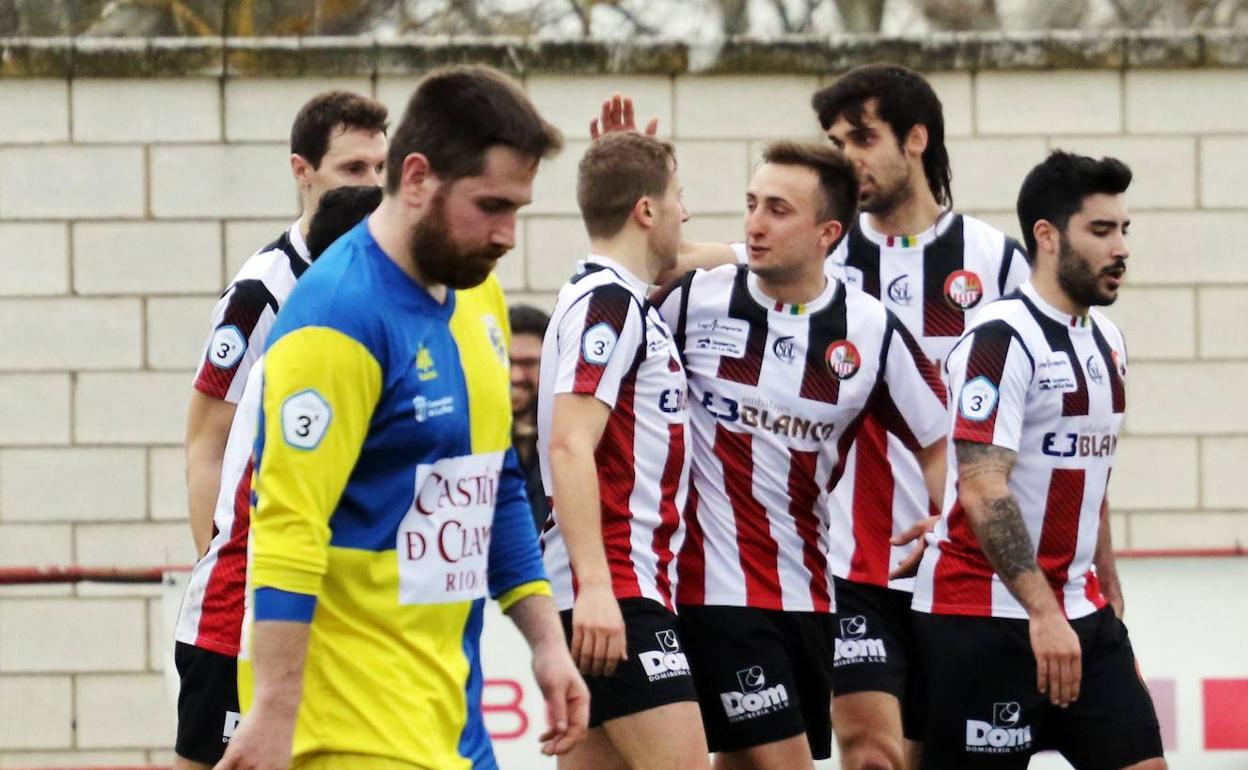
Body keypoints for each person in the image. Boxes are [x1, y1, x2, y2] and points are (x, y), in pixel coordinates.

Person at [216, 65, 587, 770]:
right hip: (347, 730)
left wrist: (544, 640)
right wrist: (274, 708)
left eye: (519, 209)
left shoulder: (477, 296)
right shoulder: (338, 314)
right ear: (415, 177)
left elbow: (493, 479)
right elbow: (288, 528)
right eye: (491, 205)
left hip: (454, 723)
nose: (507, 234)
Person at [653, 141, 948, 770]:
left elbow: (939, 437)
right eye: (752, 204)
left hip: (809, 594)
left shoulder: (870, 330)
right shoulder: (695, 298)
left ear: (827, 233)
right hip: (711, 587)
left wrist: (948, 516)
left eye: (778, 210)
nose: (755, 223)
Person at [909, 151, 1164, 770]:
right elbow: (982, 487)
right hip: (983, 618)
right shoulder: (1000, 340)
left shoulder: (1107, 341)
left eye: (1123, 229)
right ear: (1047, 238)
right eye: (1100, 231)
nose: (1120, 247)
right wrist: (1044, 613)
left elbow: (1091, 477)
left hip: (1082, 615)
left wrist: (1108, 596)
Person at [812, 64, 1032, 770]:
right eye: (834, 141)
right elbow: (708, 264)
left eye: (861, 137)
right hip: (852, 558)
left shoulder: (998, 263)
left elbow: (1049, 412)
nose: (845, 157)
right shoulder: (818, 255)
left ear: (915, 139)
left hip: (967, 566)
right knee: (873, 755)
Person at [175, 91, 387, 770]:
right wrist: (230, 567)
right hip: (245, 595)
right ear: (304, 171)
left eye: (382, 168)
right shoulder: (264, 293)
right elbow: (207, 440)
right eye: (354, 169)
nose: (373, 186)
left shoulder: (379, 284)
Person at [537, 132, 709, 770]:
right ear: (646, 210)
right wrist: (597, 589)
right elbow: (569, 443)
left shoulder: (621, 299)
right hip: (615, 585)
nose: (684, 214)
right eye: (678, 197)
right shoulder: (609, 302)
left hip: (624, 585)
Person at [509, 303, 552, 532]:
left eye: (528, 364)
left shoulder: (570, 438)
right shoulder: (474, 438)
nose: (515, 376)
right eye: (507, 362)